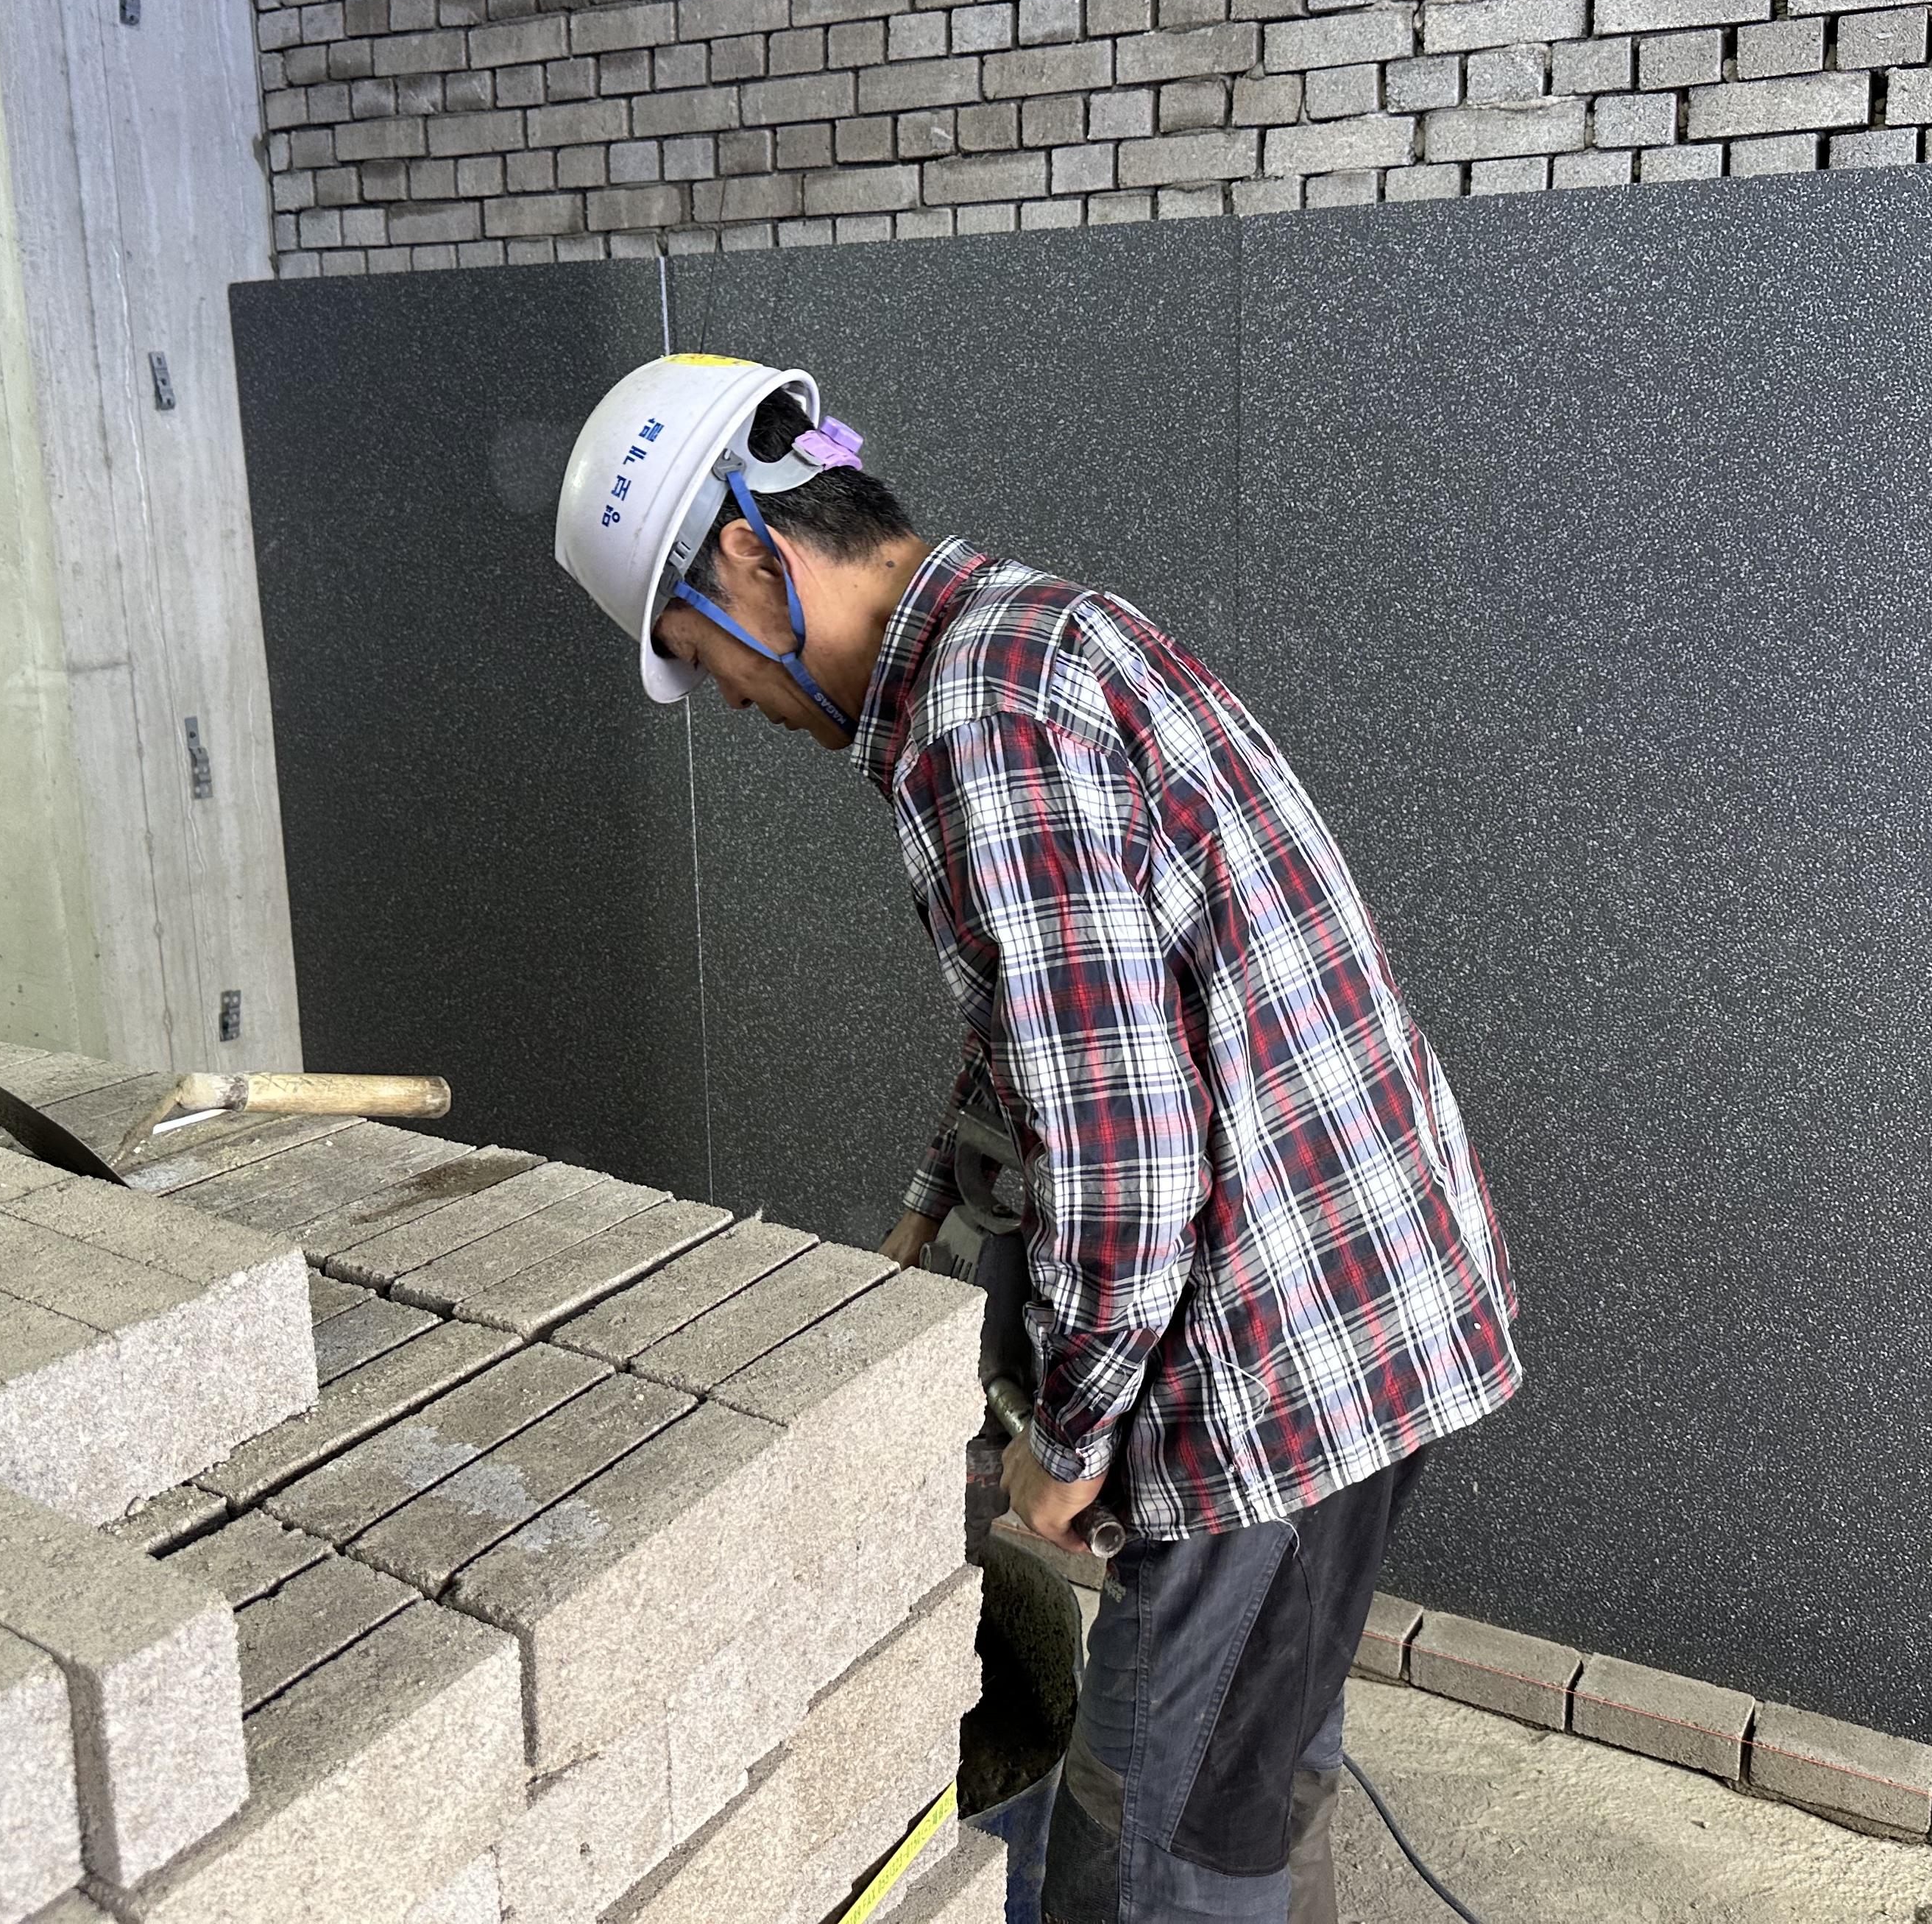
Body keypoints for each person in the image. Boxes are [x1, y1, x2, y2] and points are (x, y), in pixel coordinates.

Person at [556, 355, 1521, 1924]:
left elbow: (1125, 1153)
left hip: (1274, 1365)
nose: (727, 699)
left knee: (1153, 1848)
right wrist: (930, 1205)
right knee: (1254, 1778)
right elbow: (1055, 1019)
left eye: (698, 654)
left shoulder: (977, 725)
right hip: (1371, 1301)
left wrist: (1062, 1445)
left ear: (749, 554)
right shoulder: (1041, 635)